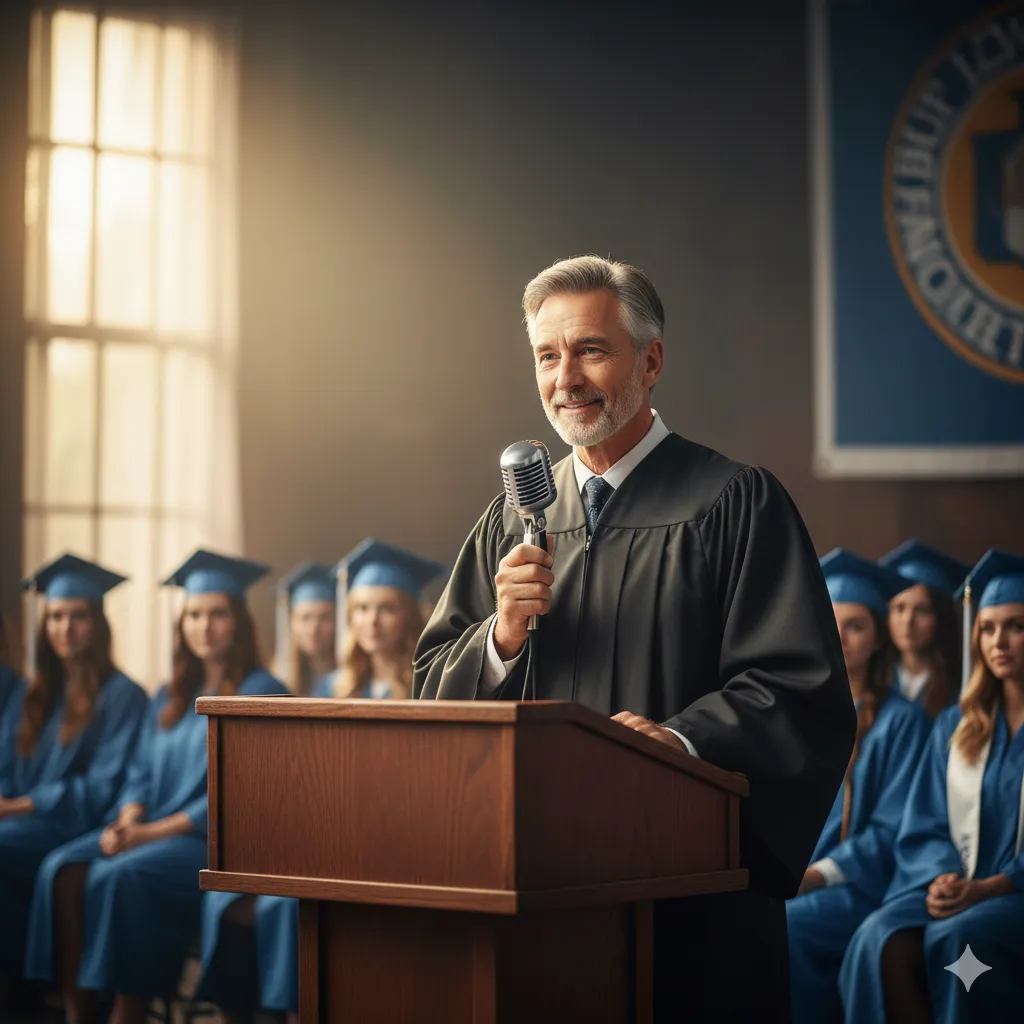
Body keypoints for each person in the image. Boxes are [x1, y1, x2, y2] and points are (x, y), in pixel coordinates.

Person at [413, 255, 855, 1021]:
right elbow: (431, 689)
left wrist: (678, 746)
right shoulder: (512, 520)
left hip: (683, 893)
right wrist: (501, 637)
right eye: (547, 357)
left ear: (650, 361)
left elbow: (795, 690)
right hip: (537, 885)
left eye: (590, 350)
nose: (566, 379)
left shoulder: (733, 503)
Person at [23, 549, 288, 1024]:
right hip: (152, 830)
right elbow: (139, 772)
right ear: (181, 623)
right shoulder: (169, 694)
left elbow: (246, 792)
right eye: (193, 615)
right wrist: (129, 819)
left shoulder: (264, 689)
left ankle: (130, 1010)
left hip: (216, 841)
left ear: (239, 621)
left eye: (217, 614)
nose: (204, 626)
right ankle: (81, 1011)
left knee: (121, 874)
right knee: (67, 869)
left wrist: (148, 834)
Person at [197, 539, 445, 1021]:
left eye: (387, 609)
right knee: (254, 902)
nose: (372, 622)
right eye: (362, 609)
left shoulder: (431, 682)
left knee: (288, 908)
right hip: (336, 836)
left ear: (411, 615)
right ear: (349, 617)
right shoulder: (336, 688)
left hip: (400, 838)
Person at [839, 549, 1024, 1024]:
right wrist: (943, 879)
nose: (999, 640)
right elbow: (925, 821)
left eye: (1016, 626)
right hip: (955, 887)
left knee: (959, 937)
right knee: (875, 938)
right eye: (987, 628)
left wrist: (991, 887)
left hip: (1010, 893)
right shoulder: (956, 726)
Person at [786, 550, 931, 1023]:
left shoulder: (904, 723)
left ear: (877, 639)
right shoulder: (795, 714)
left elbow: (891, 831)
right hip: (794, 876)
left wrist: (817, 875)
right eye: (833, 622)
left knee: (788, 927)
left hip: (864, 884)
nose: (841, 637)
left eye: (857, 626)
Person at [0, 555, 147, 1003]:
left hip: (80, 823)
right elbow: (5, 765)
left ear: (98, 623)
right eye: (56, 617)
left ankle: (20, 987)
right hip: (22, 822)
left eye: (78, 616)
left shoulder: (123, 695)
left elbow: (101, 787)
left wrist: (16, 807)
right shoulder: (33, 692)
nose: (66, 628)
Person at [879, 539, 966, 716]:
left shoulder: (960, 689)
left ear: (941, 618)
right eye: (899, 608)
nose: (908, 621)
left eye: (922, 610)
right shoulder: (876, 681)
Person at [274, 562, 338, 697]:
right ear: (291, 623)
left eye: (324, 618)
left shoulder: (351, 681)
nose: (314, 628)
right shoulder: (278, 677)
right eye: (305, 618)